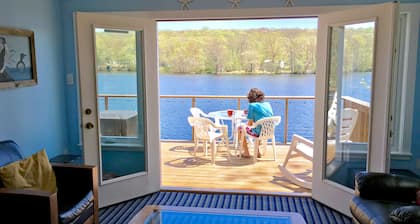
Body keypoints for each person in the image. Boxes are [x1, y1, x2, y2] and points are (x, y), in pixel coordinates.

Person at [240, 88, 273, 158]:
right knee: (257, 126)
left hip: (258, 133)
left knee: (240, 129)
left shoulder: (252, 106)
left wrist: (243, 125)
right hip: (268, 131)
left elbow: (250, 123)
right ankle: (257, 152)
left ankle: (246, 152)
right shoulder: (267, 104)